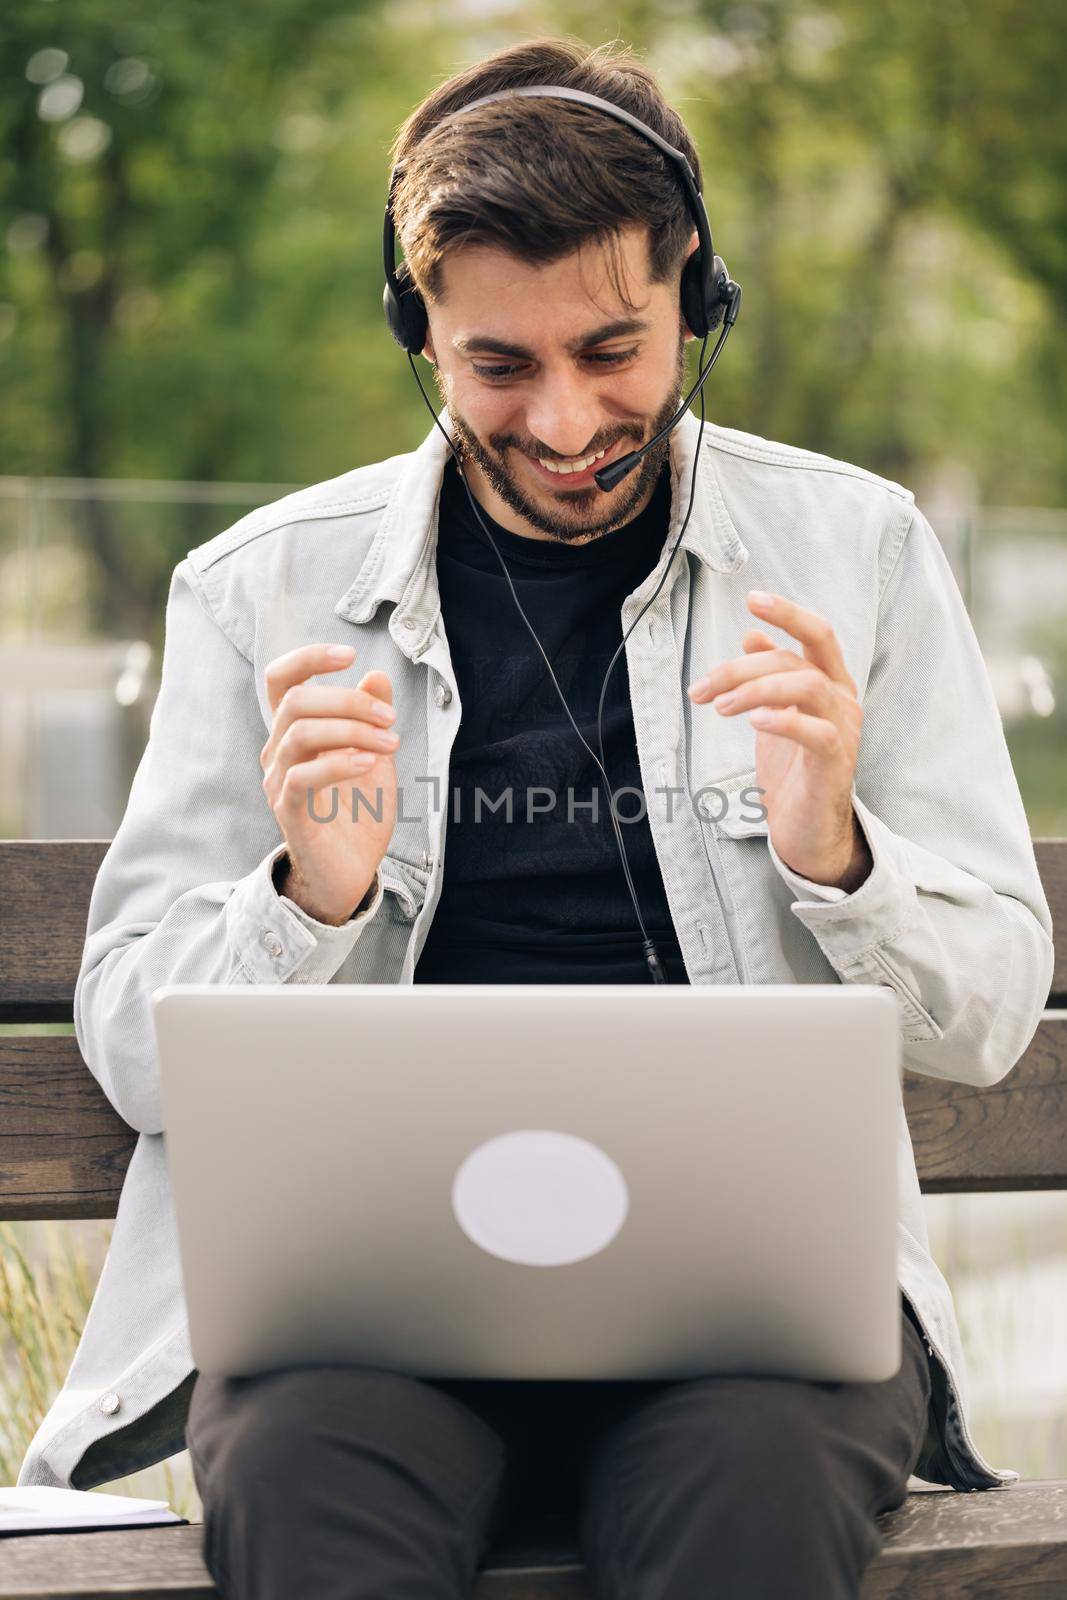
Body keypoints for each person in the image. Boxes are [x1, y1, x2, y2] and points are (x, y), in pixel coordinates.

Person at [18, 34, 1053, 1600]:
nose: (566, 423)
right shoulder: (259, 592)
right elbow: (132, 1046)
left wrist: (838, 858)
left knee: (748, 1508)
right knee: (302, 1490)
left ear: (698, 292)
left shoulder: (863, 553)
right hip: (366, 1325)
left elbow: (983, 1022)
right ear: (417, 329)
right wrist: (311, 897)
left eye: (615, 350)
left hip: (755, 1334)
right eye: (500, 367)